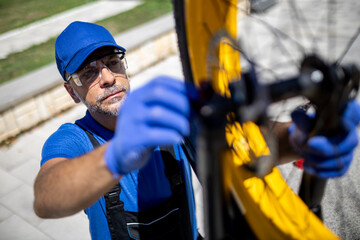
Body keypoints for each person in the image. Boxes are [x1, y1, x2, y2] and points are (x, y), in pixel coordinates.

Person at [33, 21, 360, 240]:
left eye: (112, 62)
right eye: (88, 73)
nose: (106, 78)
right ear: (72, 91)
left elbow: (245, 142)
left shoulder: (165, 115)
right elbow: (48, 197)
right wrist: (116, 155)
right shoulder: (73, 140)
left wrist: (303, 138)